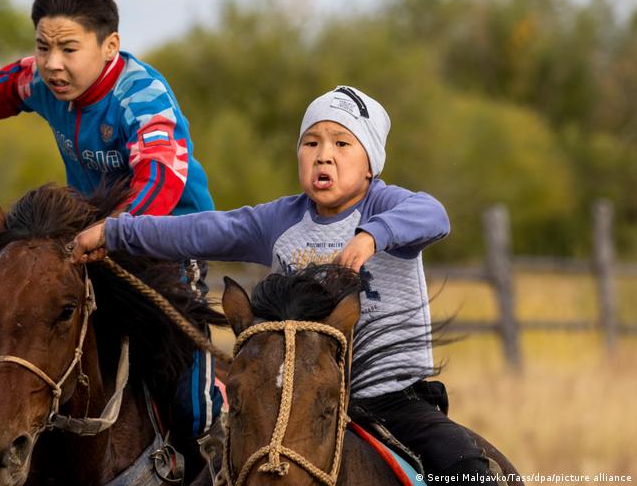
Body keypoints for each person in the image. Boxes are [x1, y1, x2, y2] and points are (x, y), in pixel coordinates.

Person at [72, 85, 502, 483]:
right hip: (292, 405)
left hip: (393, 401)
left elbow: (434, 215)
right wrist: (114, 232)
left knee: (465, 466)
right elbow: (201, 230)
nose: (323, 155)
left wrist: (372, 236)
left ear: (370, 162)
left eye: (341, 143)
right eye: (311, 142)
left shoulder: (386, 206)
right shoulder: (279, 221)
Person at [0, 0, 222, 482]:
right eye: (43, 47)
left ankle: (212, 456)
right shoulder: (44, 83)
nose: (52, 63)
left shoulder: (142, 96)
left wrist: (117, 232)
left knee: (190, 390)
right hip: (83, 242)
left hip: (163, 242)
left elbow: (162, 173)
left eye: (68, 49)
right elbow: (1, 89)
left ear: (108, 46)